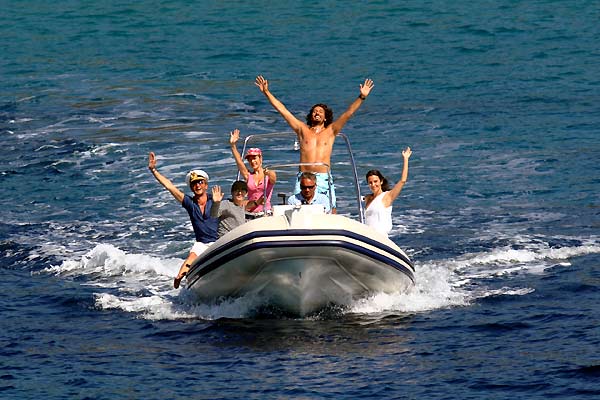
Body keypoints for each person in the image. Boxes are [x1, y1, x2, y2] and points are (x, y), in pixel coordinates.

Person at [255, 75, 374, 213]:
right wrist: (266, 92)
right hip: (304, 177)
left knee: (331, 210)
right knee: (297, 210)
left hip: (323, 177)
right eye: (314, 111)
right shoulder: (302, 129)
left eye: (320, 112)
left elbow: (348, 113)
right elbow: (283, 111)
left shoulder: (331, 131)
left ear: (325, 117)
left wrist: (362, 97)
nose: (317, 113)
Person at [148, 152, 218, 288]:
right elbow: (170, 187)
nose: (197, 185)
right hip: (201, 244)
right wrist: (153, 170)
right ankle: (185, 284)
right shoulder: (189, 203)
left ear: (206, 185)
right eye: (194, 184)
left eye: (200, 182)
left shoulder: (215, 199)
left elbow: (237, 205)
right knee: (183, 270)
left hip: (219, 241)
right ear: (191, 187)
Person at [364, 147, 412, 237]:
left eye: (375, 181)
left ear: (381, 181)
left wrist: (406, 159)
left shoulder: (387, 196)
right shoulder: (368, 198)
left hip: (381, 239)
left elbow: (402, 180)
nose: (373, 185)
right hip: (369, 238)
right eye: (370, 183)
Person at [229, 128, 277, 213]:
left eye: (254, 158)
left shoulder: (268, 175)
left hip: (265, 211)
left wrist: (268, 172)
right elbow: (239, 162)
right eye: (250, 159)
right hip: (250, 211)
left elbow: (273, 177)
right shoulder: (248, 176)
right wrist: (233, 145)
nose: (252, 161)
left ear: (260, 158)